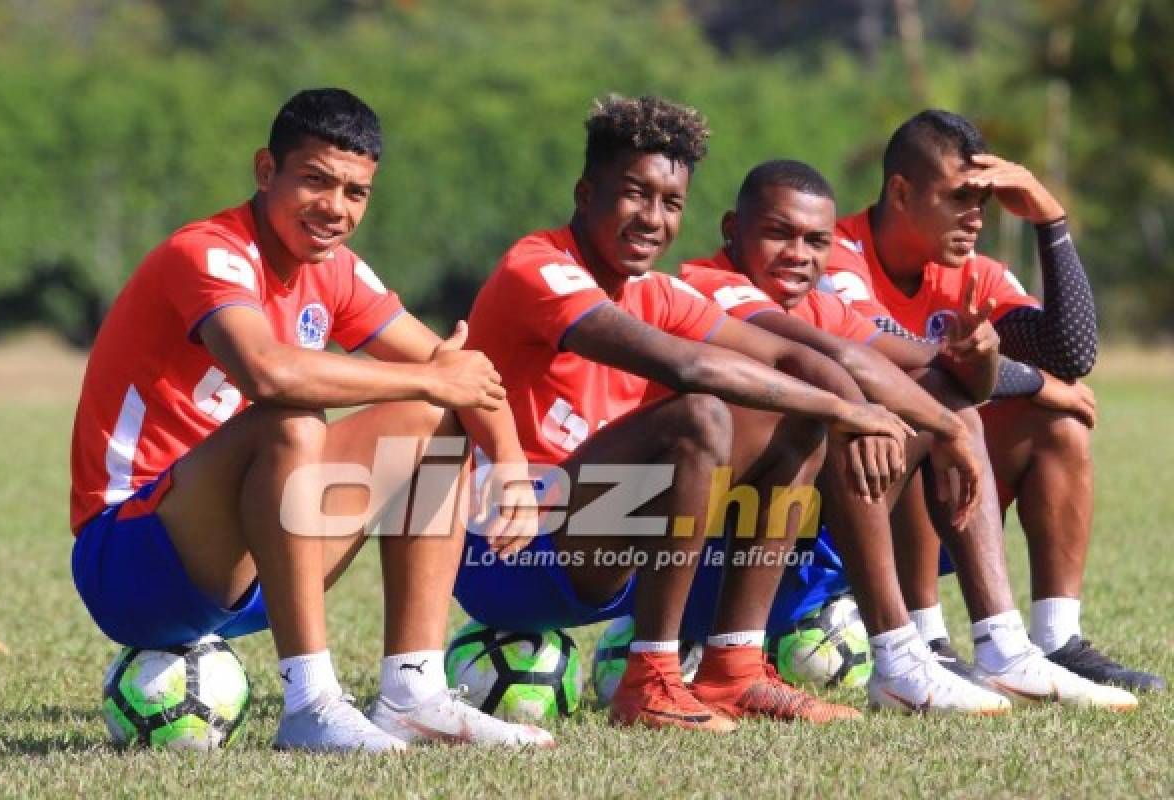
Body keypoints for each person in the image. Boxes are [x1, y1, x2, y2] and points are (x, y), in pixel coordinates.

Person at [69, 88, 556, 752]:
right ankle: (309, 705)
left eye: (355, 192)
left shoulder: (337, 270)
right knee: (293, 420)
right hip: (128, 561)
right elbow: (268, 372)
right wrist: (433, 375)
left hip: (255, 564)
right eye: (316, 181)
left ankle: (415, 694)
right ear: (266, 171)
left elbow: (459, 373)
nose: (336, 207)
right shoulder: (208, 253)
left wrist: (511, 467)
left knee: (431, 416)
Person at [455, 94, 917, 731]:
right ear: (585, 192)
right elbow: (688, 368)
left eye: (670, 202)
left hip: (598, 540)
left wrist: (855, 411)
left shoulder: (657, 289)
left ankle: (734, 669)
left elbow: (792, 359)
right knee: (699, 416)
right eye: (634, 194)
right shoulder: (537, 268)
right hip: (508, 552)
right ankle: (650, 678)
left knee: (795, 416)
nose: (653, 218)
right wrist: (848, 408)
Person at [679, 159, 1138, 712]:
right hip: (700, 539)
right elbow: (839, 358)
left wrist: (981, 360)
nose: (799, 252)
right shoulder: (711, 283)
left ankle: (1004, 648)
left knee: (934, 400)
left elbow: (935, 368)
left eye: (813, 241)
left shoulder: (828, 300)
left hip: (790, 520)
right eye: (780, 233)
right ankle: (900, 654)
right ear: (733, 229)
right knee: (868, 417)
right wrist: (927, 422)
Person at [824, 110, 1164, 692]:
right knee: (929, 404)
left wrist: (1049, 218)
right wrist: (1033, 379)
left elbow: (1071, 350)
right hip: (841, 507)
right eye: (960, 197)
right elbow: (892, 359)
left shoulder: (971, 271)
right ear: (901, 191)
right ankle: (926, 635)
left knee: (1058, 426)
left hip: (941, 493)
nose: (976, 218)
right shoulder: (836, 253)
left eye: (985, 201)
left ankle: (1057, 641)